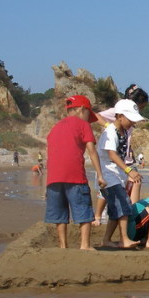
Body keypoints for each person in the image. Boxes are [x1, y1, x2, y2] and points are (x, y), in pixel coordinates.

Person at [45, 95, 106, 250]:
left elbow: (51, 153)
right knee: (83, 209)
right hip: (75, 175)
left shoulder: (55, 128)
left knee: (60, 213)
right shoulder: (83, 125)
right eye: (88, 115)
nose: (88, 119)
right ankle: (84, 245)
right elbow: (92, 151)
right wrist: (100, 175)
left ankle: (63, 245)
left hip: (53, 177)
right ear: (82, 109)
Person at [92, 84, 149, 226]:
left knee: (129, 185)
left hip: (125, 156)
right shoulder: (119, 112)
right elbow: (96, 115)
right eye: (141, 106)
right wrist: (108, 126)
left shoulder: (131, 119)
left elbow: (126, 140)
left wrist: (131, 152)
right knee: (109, 188)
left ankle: (131, 213)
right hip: (114, 160)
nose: (141, 110)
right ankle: (99, 215)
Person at [98, 99, 145, 248]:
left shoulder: (122, 132)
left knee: (114, 210)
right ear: (119, 116)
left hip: (115, 176)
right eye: (130, 119)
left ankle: (106, 240)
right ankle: (124, 239)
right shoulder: (110, 132)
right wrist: (129, 170)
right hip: (108, 175)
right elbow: (112, 154)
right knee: (124, 204)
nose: (133, 123)